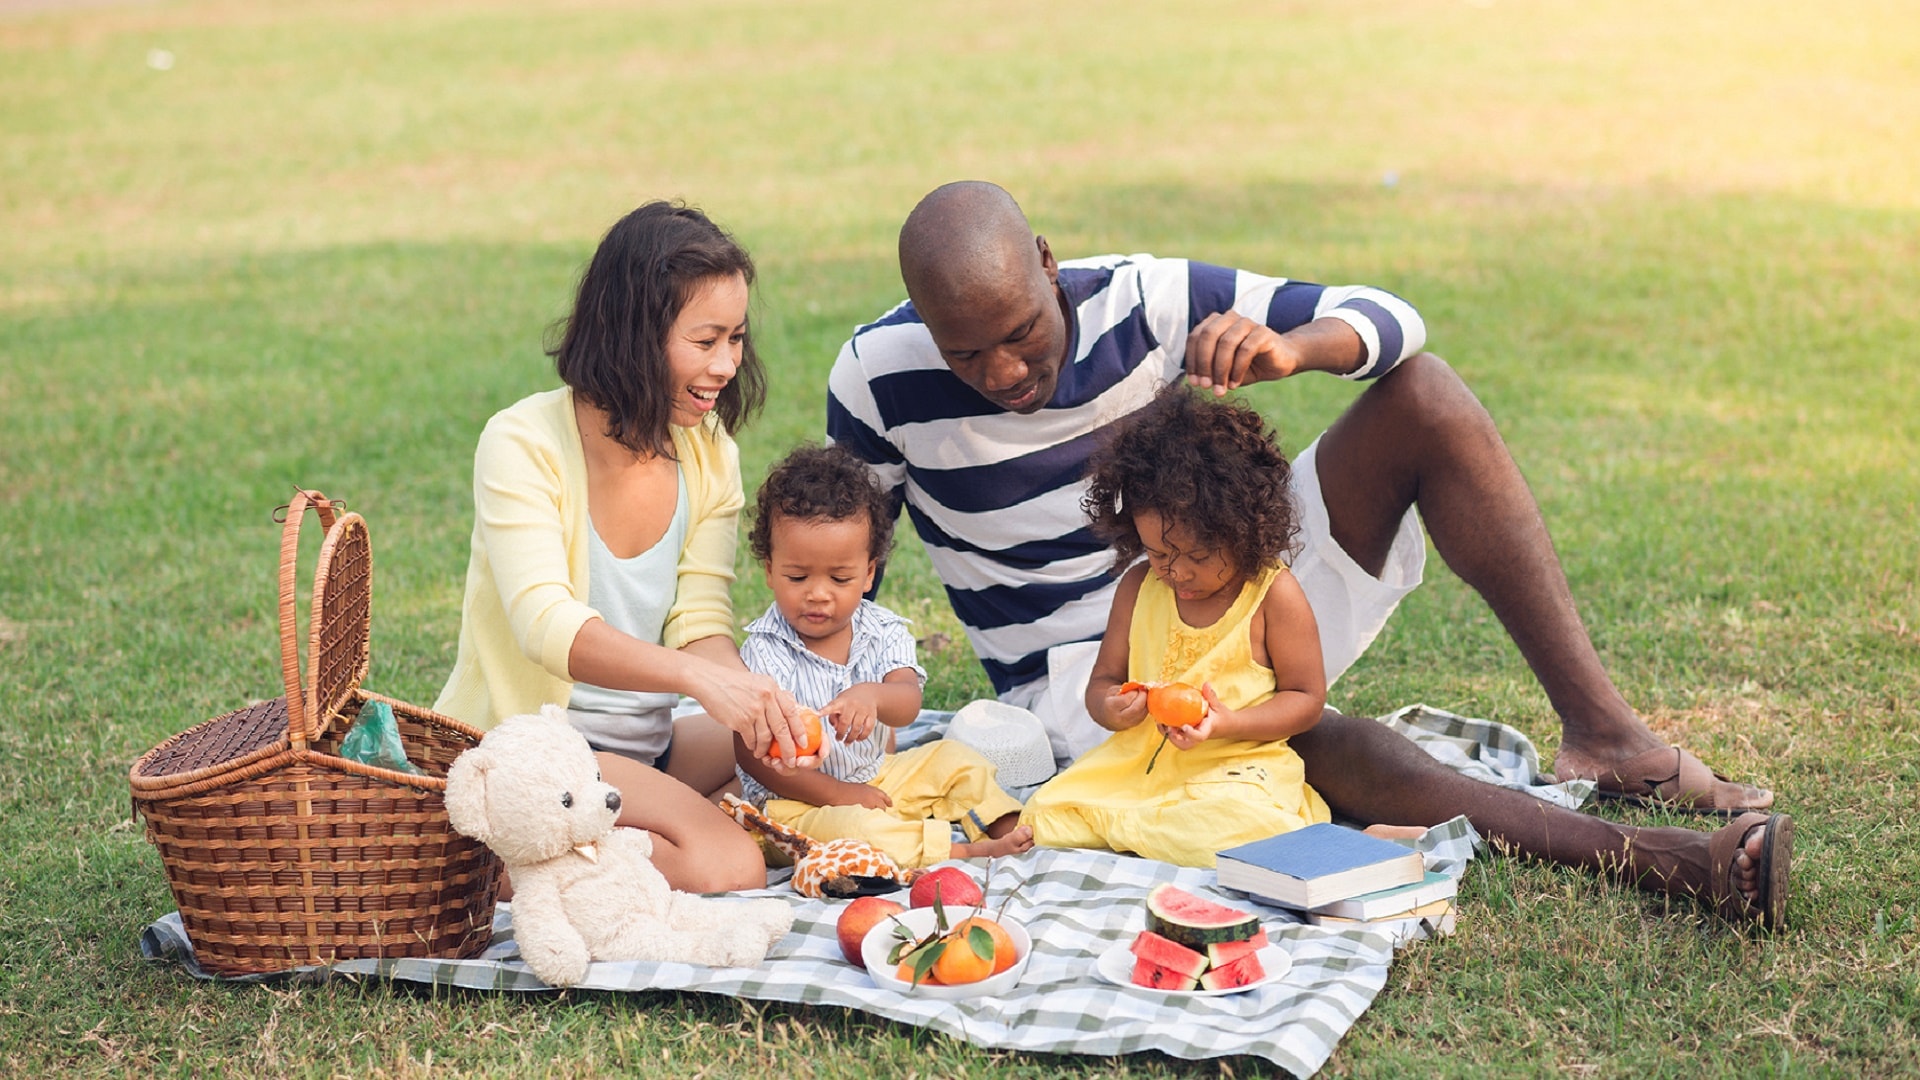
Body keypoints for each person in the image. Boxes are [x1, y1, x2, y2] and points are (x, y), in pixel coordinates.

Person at [825, 180, 1789, 926]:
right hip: (1090, 688)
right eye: (964, 352)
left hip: (1231, 589)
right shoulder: (876, 376)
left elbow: (1395, 320)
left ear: (1047, 261)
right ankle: (1662, 859)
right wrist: (831, 722)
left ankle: (1608, 736)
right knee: (1327, 746)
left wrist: (1294, 350)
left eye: (1020, 332)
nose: (1001, 373)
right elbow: (852, 560)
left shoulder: (1147, 298)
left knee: (1427, 395)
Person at [435, 201, 810, 893]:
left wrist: (748, 695)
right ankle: (491, 862)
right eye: (706, 341)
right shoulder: (522, 444)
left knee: (795, 766)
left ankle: (570, 848)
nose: (728, 363)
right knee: (731, 864)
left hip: (642, 748)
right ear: (634, 334)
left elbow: (699, 620)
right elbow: (545, 625)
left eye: (737, 338)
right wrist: (696, 680)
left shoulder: (709, 454)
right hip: (539, 752)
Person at [1022, 388, 1334, 866]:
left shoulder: (1272, 594)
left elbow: (1307, 699)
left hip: (1234, 769)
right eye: (1161, 553)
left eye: (1198, 557)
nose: (1177, 572)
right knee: (1041, 815)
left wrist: (1228, 724)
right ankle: (1146, 829)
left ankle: (1140, 833)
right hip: (1139, 768)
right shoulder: (1139, 587)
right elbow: (1102, 681)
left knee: (1245, 825)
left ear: (1244, 531)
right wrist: (1111, 707)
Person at [733, 443, 1035, 867]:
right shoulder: (765, 650)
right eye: (797, 576)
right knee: (857, 834)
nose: (818, 594)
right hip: (798, 805)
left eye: (840, 578)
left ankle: (1007, 824)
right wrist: (841, 796)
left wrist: (872, 696)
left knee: (954, 758)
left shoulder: (883, 629)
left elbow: (908, 703)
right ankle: (958, 851)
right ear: (768, 569)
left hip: (878, 775)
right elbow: (751, 754)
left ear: (869, 572)